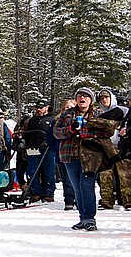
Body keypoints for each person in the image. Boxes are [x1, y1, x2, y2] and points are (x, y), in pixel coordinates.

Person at [53, 87, 120, 231]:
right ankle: (82, 218)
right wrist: (71, 129)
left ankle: (90, 218)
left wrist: (86, 131)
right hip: (70, 155)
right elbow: (56, 132)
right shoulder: (67, 114)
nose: (82, 98)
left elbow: (109, 131)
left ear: (91, 100)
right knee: (77, 188)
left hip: (91, 156)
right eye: (79, 96)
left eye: (85, 96)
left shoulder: (99, 114)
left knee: (86, 186)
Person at [20, 100, 57, 202]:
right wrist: (23, 142)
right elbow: (27, 133)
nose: (39, 110)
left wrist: (48, 142)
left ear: (47, 107)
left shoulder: (53, 119)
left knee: (49, 171)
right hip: (33, 148)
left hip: (47, 149)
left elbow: (56, 133)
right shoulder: (32, 120)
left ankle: (49, 193)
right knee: (31, 171)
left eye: (41, 107)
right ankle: (36, 192)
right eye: (37, 108)